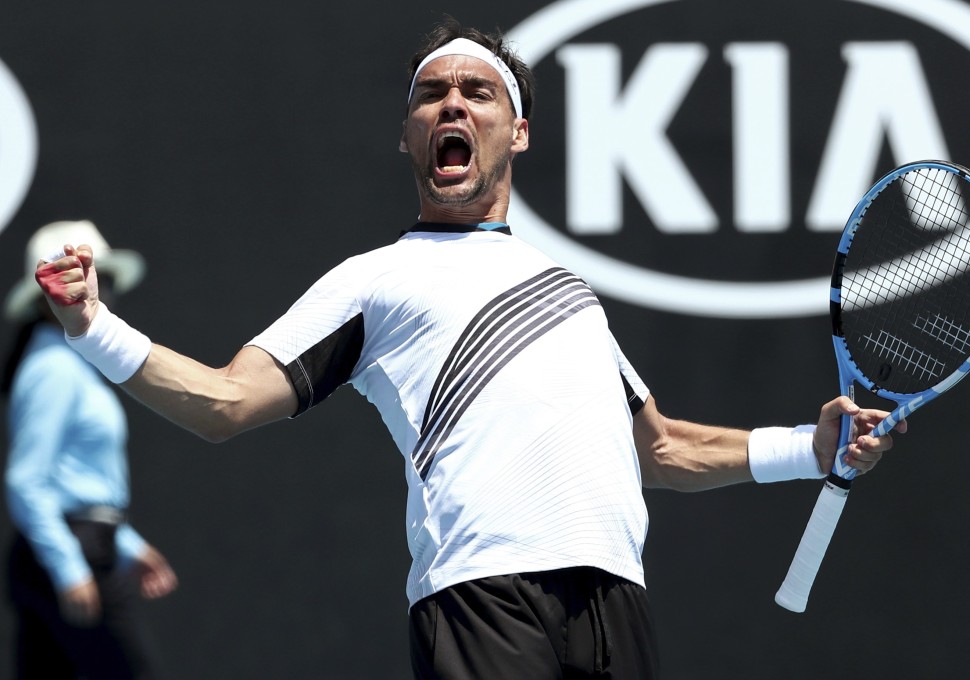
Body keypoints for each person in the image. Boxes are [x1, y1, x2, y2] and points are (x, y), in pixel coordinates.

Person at [33, 20, 905, 680]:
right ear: (409, 137)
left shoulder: (568, 294)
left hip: (615, 603)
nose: (451, 102)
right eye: (430, 93)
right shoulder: (371, 282)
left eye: (478, 92)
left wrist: (809, 448)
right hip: (484, 602)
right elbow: (224, 403)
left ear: (516, 133)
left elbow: (663, 448)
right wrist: (94, 327)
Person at [3, 220, 178, 679]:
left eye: (103, 278)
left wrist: (124, 543)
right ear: (48, 295)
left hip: (75, 550)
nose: (105, 291)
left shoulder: (66, 363)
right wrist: (68, 568)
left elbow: (74, 482)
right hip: (68, 558)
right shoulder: (54, 369)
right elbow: (27, 480)